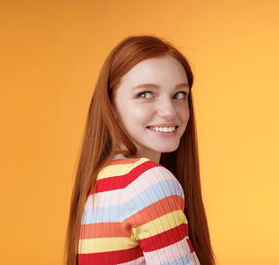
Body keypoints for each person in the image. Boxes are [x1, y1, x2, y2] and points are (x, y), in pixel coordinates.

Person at [65, 35, 216, 265]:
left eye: (179, 95)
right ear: (111, 106)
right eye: (145, 94)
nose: (168, 111)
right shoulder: (147, 181)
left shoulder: (99, 182)